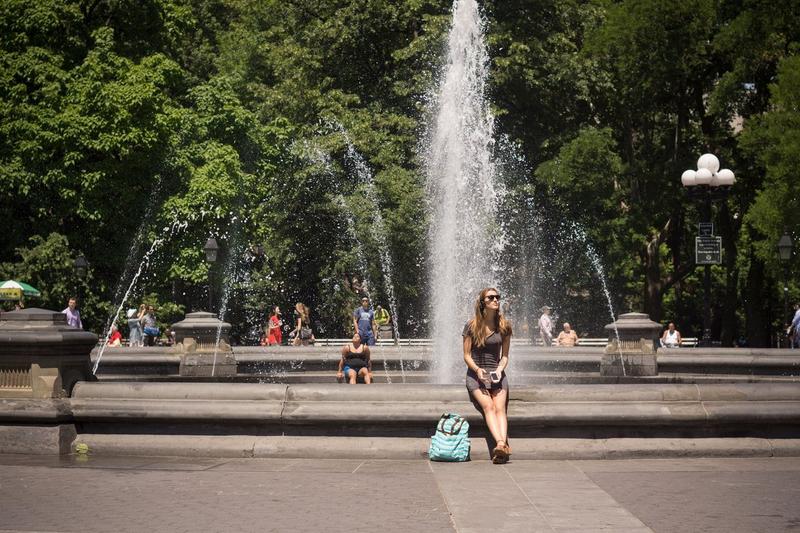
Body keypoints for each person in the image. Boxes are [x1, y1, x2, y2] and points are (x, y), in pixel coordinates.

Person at [463, 287, 512, 464]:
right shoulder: (471, 325)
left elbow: (505, 356)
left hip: (497, 375)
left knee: (500, 408)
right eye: (491, 297)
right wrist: (477, 370)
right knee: (488, 406)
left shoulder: (504, 326)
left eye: (497, 297)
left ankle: (500, 445)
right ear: (483, 302)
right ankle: (502, 444)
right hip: (476, 375)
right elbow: (466, 355)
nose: (496, 300)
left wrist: (499, 369)